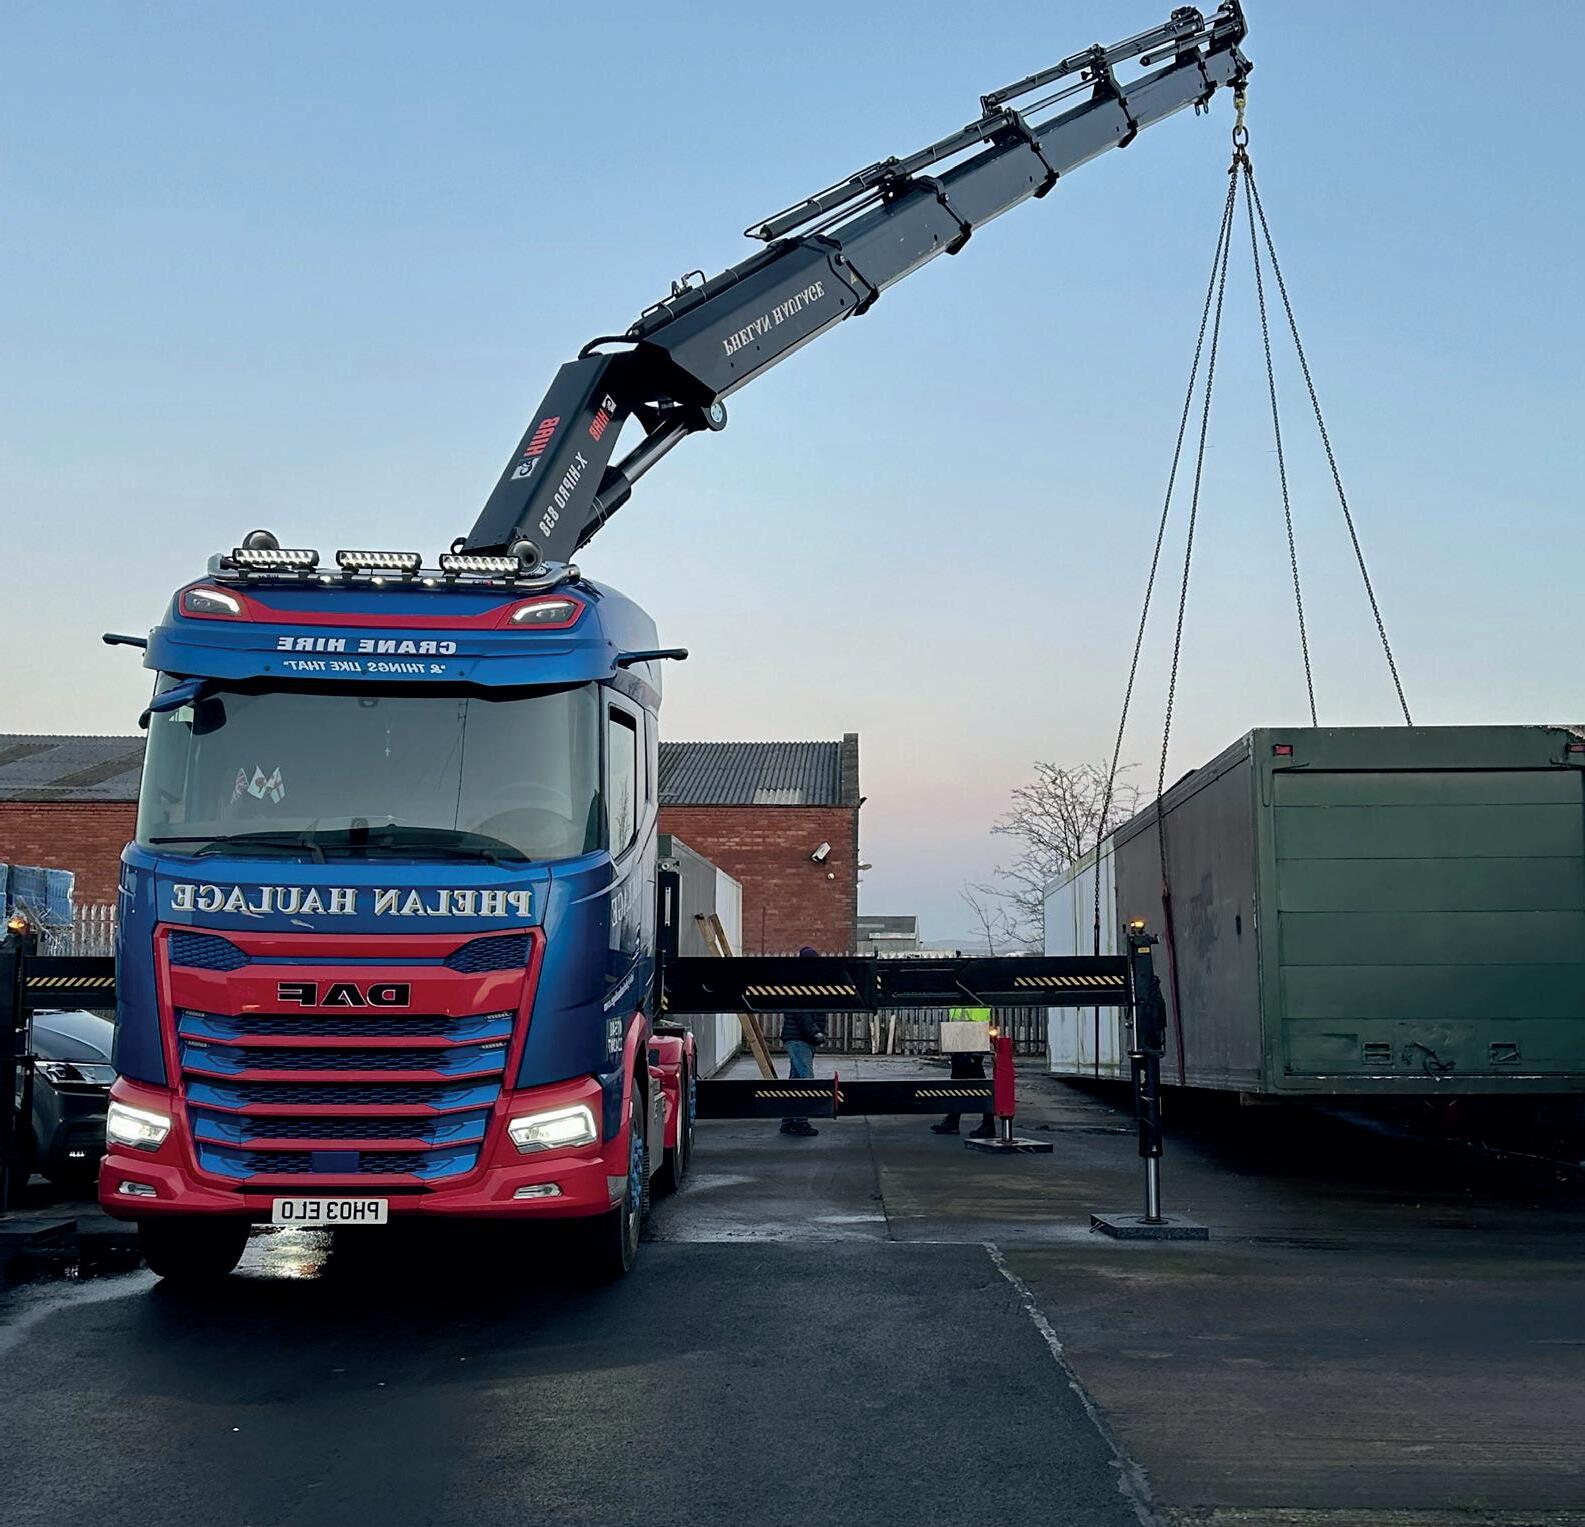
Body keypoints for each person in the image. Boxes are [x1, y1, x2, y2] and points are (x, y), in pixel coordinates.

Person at [780, 945, 827, 1138]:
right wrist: (816, 1033)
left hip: (800, 1039)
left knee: (796, 1081)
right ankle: (800, 1122)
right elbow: (802, 1014)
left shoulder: (804, 982)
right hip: (800, 1039)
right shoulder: (802, 984)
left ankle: (788, 1120)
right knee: (806, 1081)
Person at [931, 1003, 995, 1138]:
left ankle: (988, 1123)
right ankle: (954, 1120)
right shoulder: (963, 994)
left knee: (976, 1082)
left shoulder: (971, 996)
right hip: (962, 1034)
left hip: (972, 1034)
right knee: (959, 1080)